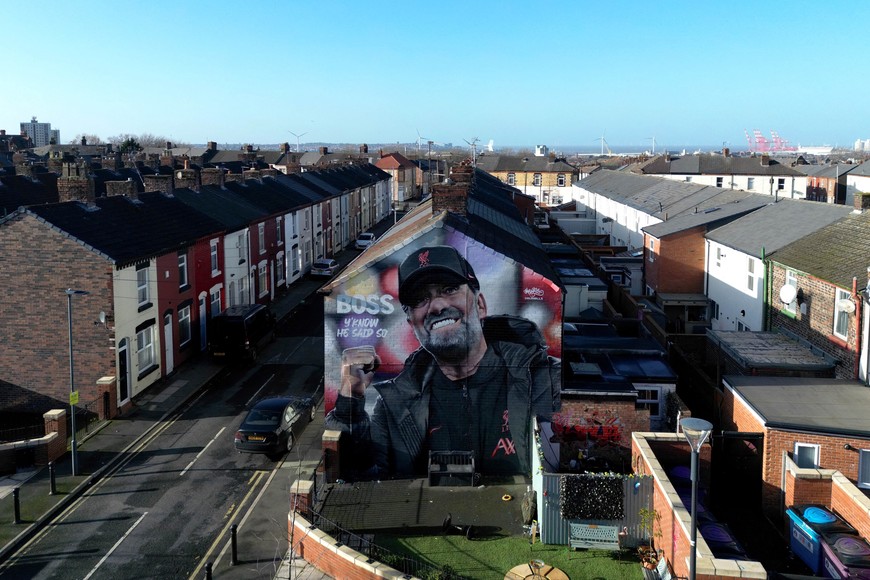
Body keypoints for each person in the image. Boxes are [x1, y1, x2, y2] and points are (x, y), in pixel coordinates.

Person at [326, 245, 560, 479]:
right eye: (420, 300)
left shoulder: (544, 380)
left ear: (480, 305)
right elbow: (359, 483)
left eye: (449, 289)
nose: (437, 306)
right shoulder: (393, 406)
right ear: (411, 324)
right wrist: (350, 402)